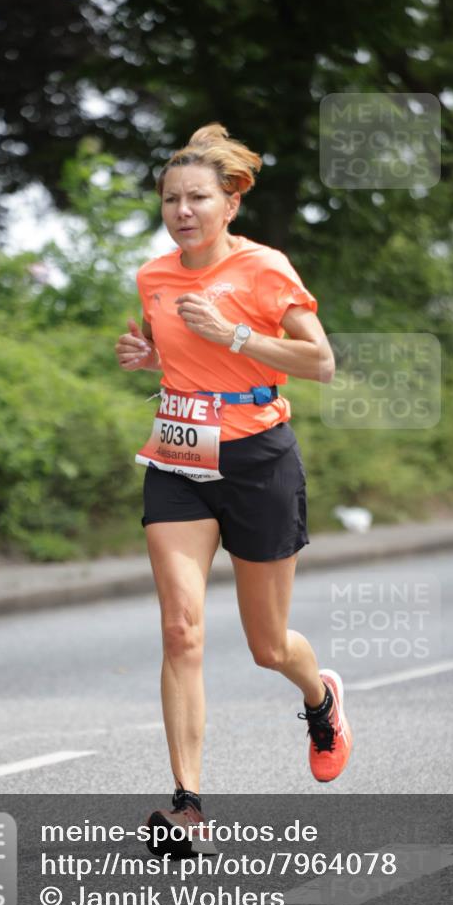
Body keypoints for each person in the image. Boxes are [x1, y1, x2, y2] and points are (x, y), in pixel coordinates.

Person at [115, 123, 352, 856]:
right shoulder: (153, 277)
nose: (181, 211)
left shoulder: (264, 270)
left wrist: (234, 336)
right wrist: (150, 352)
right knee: (180, 629)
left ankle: (320, 698)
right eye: (169, 199)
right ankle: (187, 806)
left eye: (196, 198)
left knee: (266, 645)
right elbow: (175, 346)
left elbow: (320, 364)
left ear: (229, 204)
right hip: (180, 457)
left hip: (257, 462)